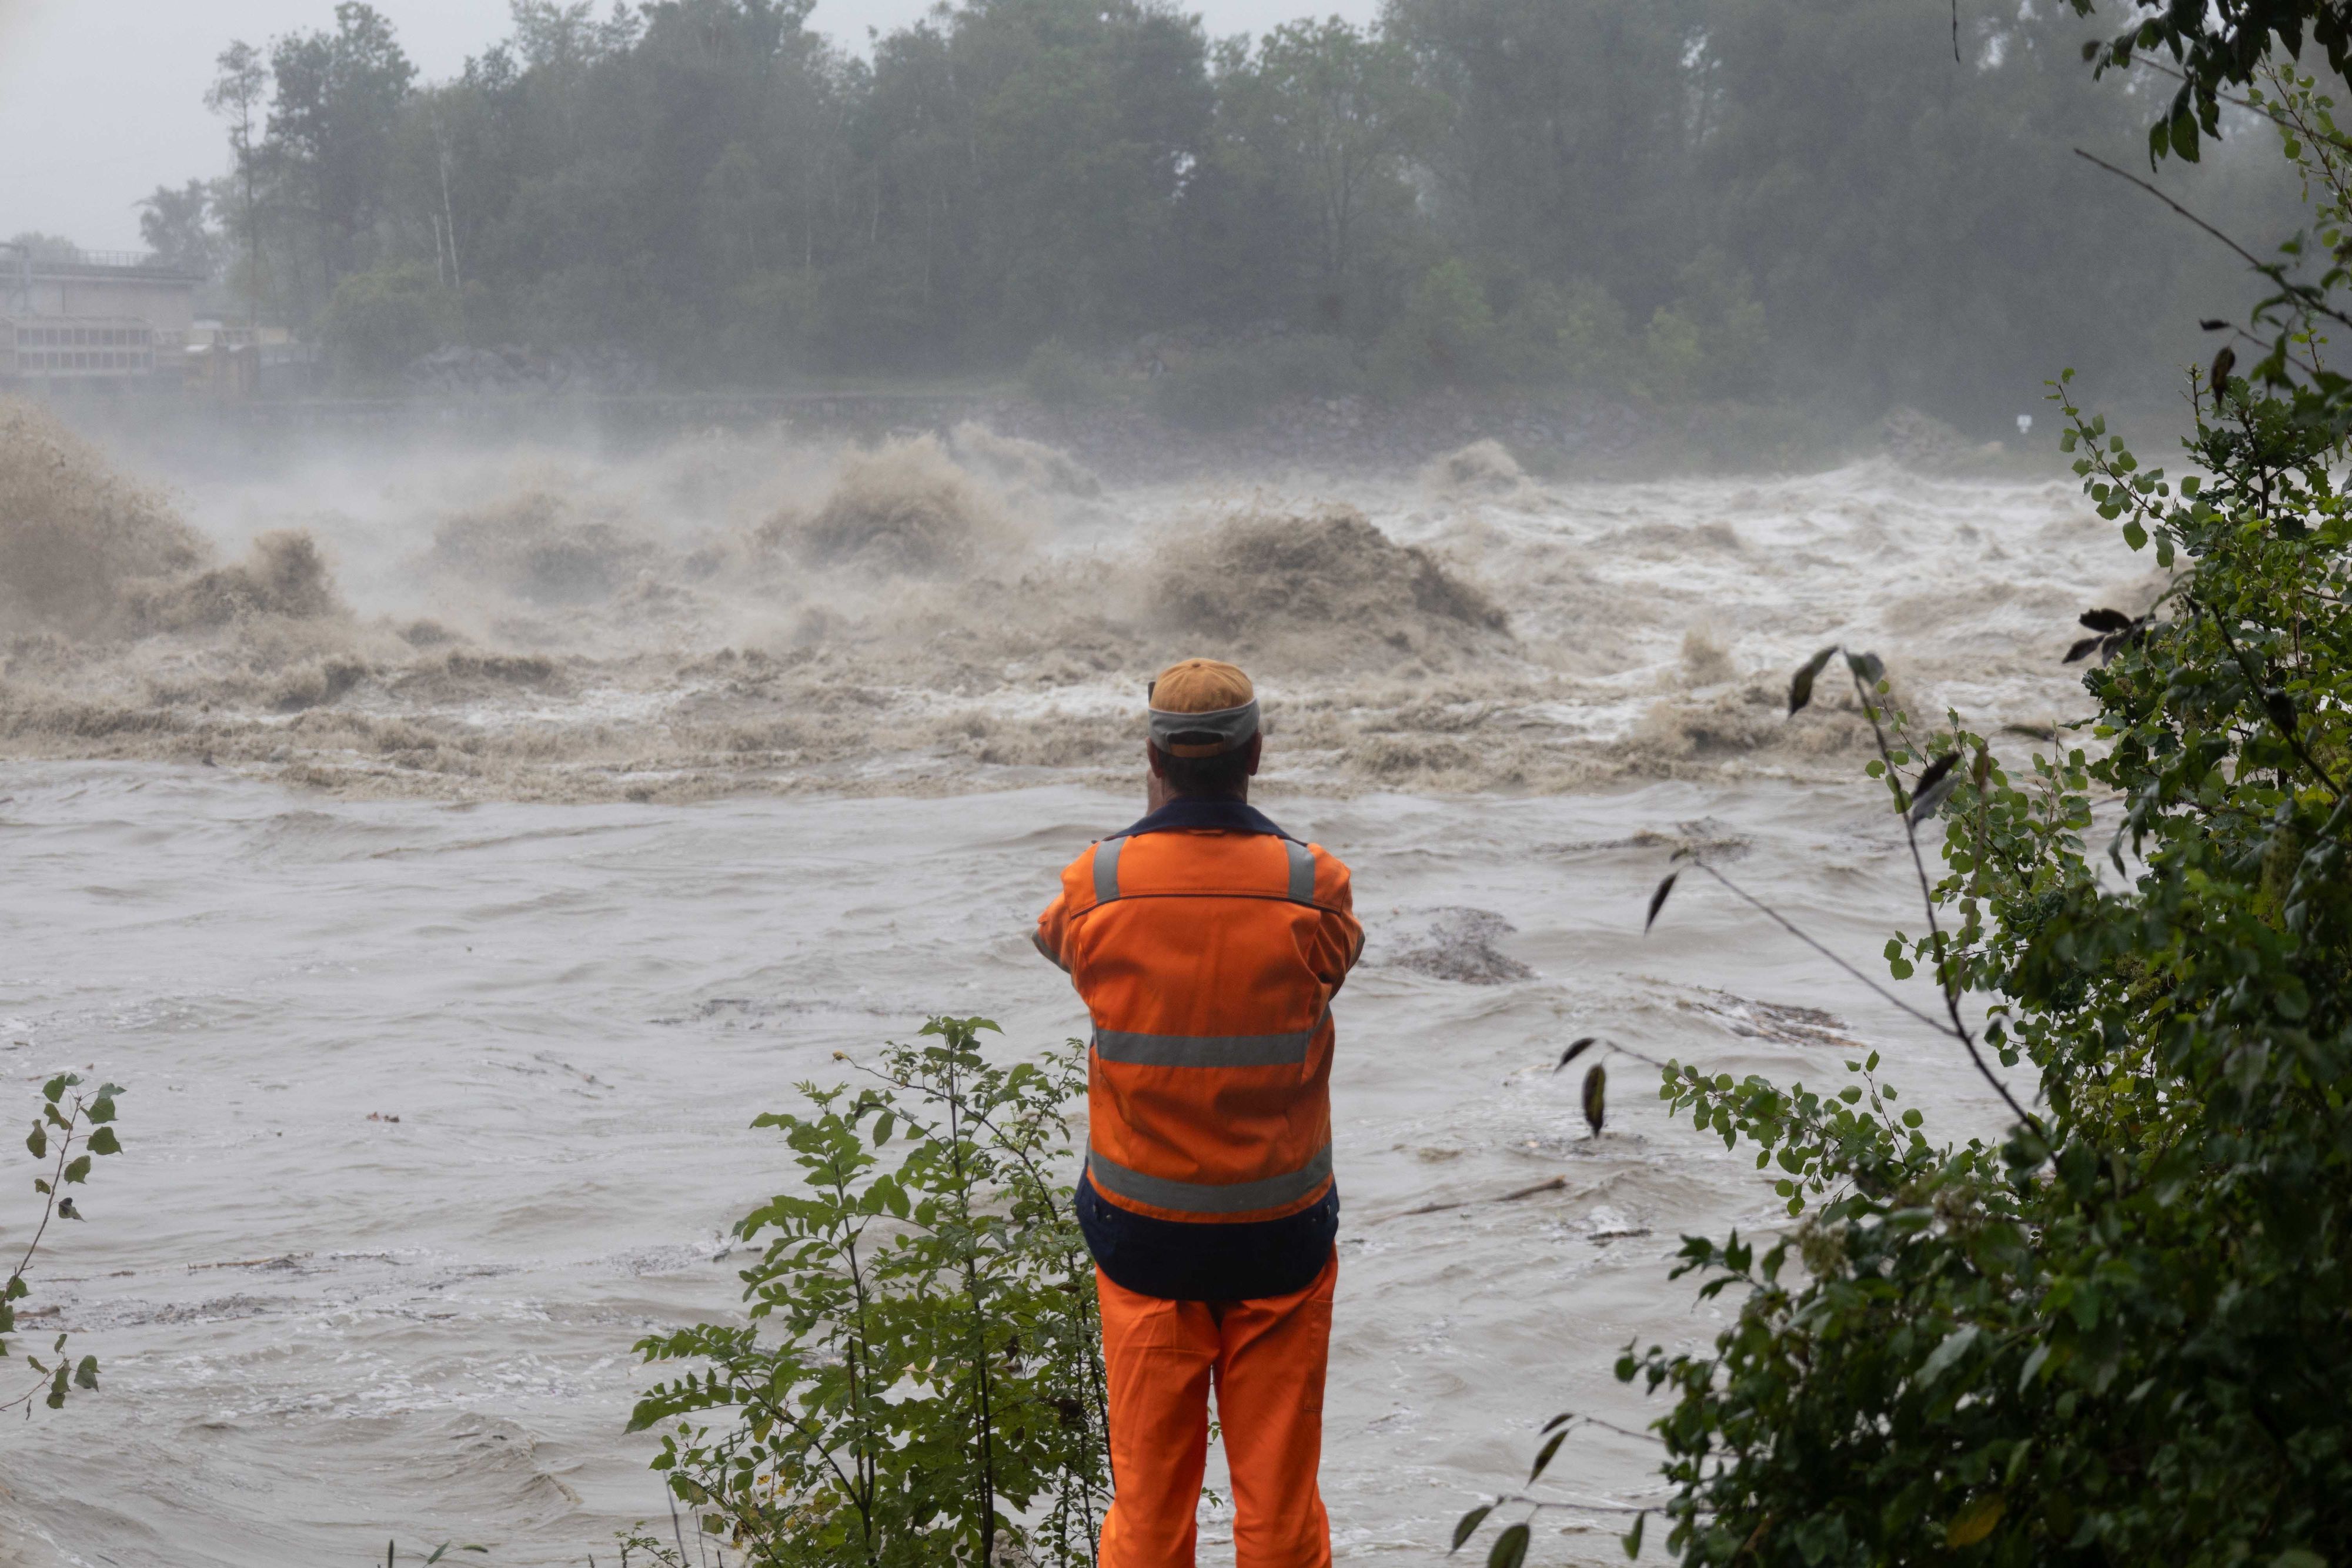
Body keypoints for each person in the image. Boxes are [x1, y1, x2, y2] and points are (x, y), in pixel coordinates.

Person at [1033, 657, 1364, 1568]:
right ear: (1257, 754)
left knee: (1146, 1509)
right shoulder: (1314, 888)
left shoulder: (1094, 885)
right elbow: (1337, 965)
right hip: (1280, 1241)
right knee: (1282, 1509)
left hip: (1146, 1245)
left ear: (1153, 755)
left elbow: (1055, 944)